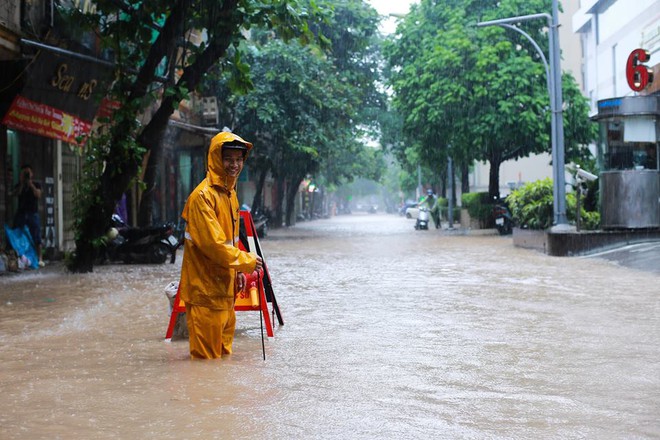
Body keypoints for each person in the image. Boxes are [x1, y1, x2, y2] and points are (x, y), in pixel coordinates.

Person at [179, 131, 263, 359]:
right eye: (228, 159)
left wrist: (237, 272)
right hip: (205, 294)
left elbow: (231, 241)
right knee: (205, 362)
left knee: (222, 361)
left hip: (225, 292)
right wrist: (247, 262)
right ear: (216, 158)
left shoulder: (230, 194)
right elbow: (214, 245)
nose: (234, 165)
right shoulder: (202, 197)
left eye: (239, 159)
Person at [11, 165, 44, 267]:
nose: (25, 175)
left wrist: (31, 185)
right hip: (21, 213)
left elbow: (38, 194)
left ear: (31, 174)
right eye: (24, 173)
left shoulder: (36, 184)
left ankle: (40, 258)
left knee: (37, 236)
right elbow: (15, 194)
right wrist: (22, 184)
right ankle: (16, 259)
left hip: (32, 213)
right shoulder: (19, 185)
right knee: (16, 234)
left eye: (27, 173)